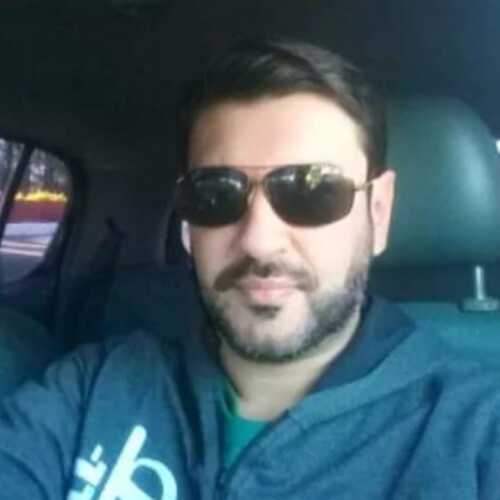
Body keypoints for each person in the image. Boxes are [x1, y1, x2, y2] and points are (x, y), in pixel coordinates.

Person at [0, 38, 499, 500]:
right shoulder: (91, 389)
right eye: (215, 194)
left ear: (379, 212)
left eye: (311, 192)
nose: (258, 240)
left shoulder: (476, 439)